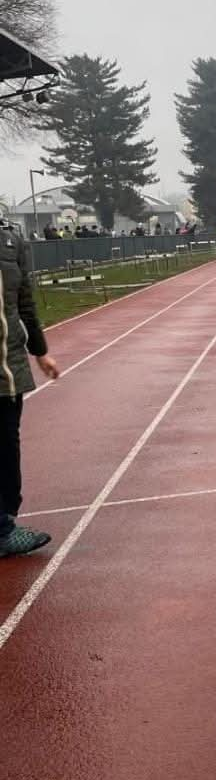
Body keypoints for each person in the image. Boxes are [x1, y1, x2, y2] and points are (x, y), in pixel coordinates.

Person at [0, 219, 59, 556]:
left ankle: (7, 516)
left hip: (11, 365)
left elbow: (25, 303)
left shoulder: (12, 242)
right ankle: (2, 530)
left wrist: (40, 352)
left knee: (8, 446)